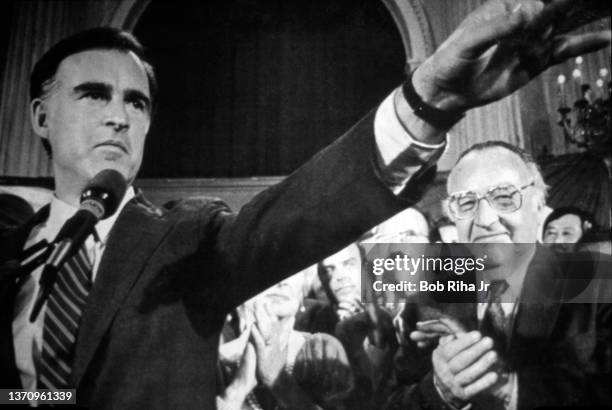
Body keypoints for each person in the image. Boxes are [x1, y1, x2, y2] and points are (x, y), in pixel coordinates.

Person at [0, 0, 608, 408]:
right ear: (40, 118)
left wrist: (424, 104)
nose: (118, 115)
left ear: (543, 205)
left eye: (137, 102)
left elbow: (299, 222)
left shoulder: (582, 272)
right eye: (93, 94)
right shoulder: (441, 276)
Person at [386, 141, 612, 409]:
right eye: (466, 203)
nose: (484, 219)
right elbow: (394, 402)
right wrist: (440, 391)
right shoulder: (426, 303)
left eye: (504, 198)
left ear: (539, 206)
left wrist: (510, 390)